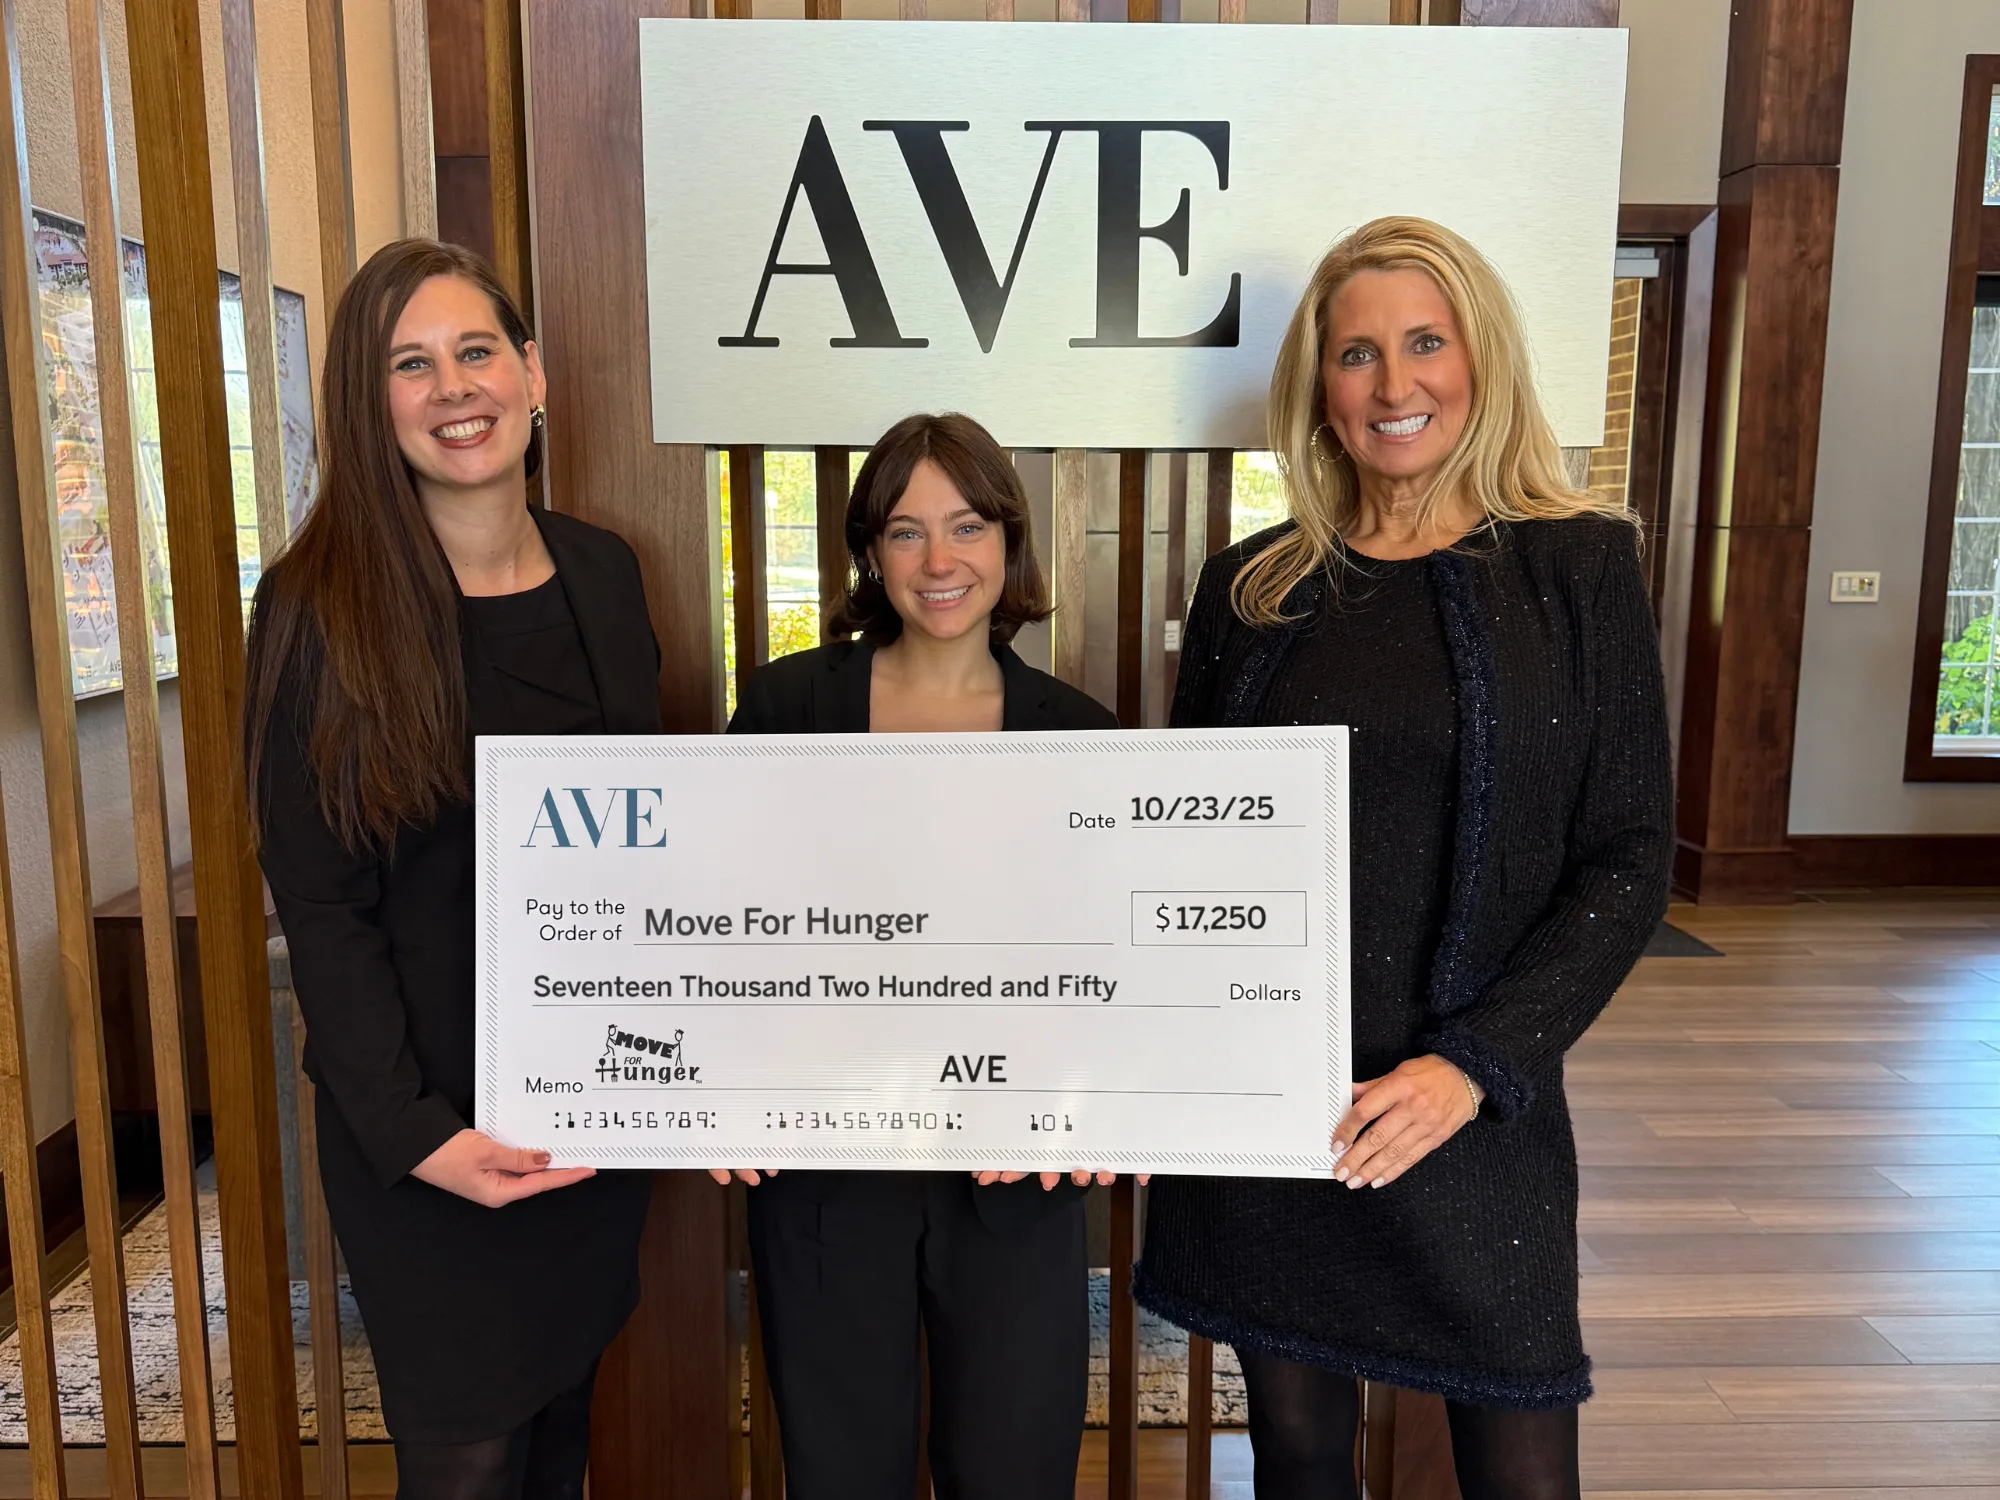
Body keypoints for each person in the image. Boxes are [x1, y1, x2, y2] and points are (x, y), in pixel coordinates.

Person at [1134, 217, 1673, 1500]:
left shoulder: (1579, 567)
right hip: (1281, 1114)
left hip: (1471, 1105)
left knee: (1523, 1469)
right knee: (1298, 1456)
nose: (1392, 385)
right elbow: (1187, 852)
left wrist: (1469, 1068)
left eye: (1422, 344)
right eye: (1355, 353)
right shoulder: (1251, 588)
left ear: (1477, 359)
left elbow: (1626, 860)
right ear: (1317, 387)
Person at [244, 239, 658, 1500]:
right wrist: (423, 1137)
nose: (452, 387)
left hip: (592, 1106)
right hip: (426, 1130)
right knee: (466, 1452)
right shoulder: (314, 607)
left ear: (531, 372)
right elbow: (321, 906)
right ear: (371, 410)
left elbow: (649, 840)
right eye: (407, 366)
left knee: (556, 1428)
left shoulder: (602, 569)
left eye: (475, 350)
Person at [722, 412, 1119, 1500]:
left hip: (1012, 1185)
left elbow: (1113, 974)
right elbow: (711, 926)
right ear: (867, 553)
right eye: (904, 532)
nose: (939, 562)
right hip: (821, 1184)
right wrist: (704, 1090)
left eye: (966, 526)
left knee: (1011, 1474)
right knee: (838, 1474)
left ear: (1008, 541)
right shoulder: (782, 709)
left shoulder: (1083, 739)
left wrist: (1106, 1105)